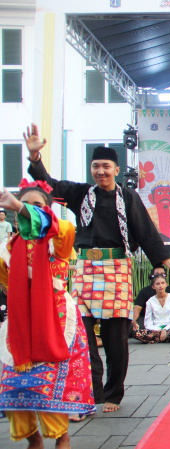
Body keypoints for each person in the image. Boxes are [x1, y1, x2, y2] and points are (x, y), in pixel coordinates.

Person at [24, 123, 170, 414]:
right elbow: (46, 184)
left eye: (106, 166)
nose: (100, 171)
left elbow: (146, 233)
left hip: (116, 269)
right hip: (85, 269)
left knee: (116, 337)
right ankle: (93, 390)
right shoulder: (80, 194)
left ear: (116, 169)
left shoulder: (128, 198)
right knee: (82, 332)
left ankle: (114, 393)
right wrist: (35, 158)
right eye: (95, 166)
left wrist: (167, 262)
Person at [0, 180, 95, 446]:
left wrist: (19, 205)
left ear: (49, 210)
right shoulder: (7, 250)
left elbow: (58, 225)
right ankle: (35, 442)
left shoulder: (60, 238)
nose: (27, 211)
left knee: (54, 405)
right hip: (21, 325)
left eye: (37, 206)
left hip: (55, 322)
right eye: (23, 206)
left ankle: (60, 439)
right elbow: (8, 287)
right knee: (16, 393)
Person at [134, 273, 170, 343]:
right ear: (153, 286)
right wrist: (159, 330)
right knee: (137, 333)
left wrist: (165, 329)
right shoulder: (150, 301)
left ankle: (157, 338)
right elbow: (148, 322)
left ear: (166, 284)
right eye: (157, 284)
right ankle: (164, 338)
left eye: (163, 283)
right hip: (155, 329)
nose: (160, 286)